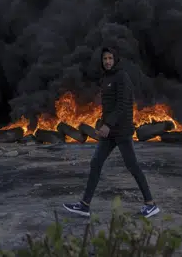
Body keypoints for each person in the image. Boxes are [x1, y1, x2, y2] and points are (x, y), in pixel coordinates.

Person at [64, 47, 160, 219]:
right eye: (105, 59)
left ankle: (151, 204)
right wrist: (102, 123)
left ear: (115, 59)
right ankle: (84, 205)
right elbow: (109, 106)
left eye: (110, 58)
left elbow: (123, 104)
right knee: (95, 163)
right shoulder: (106, 78)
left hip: (122, 131)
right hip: (109, 133)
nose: (107, 61)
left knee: (132, 166)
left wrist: (108, 124)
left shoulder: (122, 76)